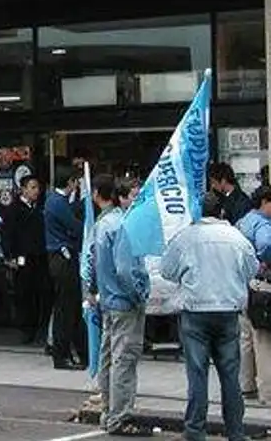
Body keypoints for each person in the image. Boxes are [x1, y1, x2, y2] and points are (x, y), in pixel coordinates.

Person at [161, 192, 258, 441]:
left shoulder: (185, 238)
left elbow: (167, 271)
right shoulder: (237, 237)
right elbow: (252, 269)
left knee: (197, 374)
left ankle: (195, 430)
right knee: (230, 376)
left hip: (195, 312)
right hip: (228, 311)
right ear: (222, 212)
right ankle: (236, 432)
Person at [90, 174, 151, 436]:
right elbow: (126, 269)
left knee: (108, 358)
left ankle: (107, 410)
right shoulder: (122, 225)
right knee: (124, 360)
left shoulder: (103, 224)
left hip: (108, 301)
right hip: (124, 302)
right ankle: (119, 416)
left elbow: (92, 261)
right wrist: (139, 294)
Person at [44, 162, 86, 370]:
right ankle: (61, 354)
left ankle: (77, 351)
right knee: (66, 309)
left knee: (71, 307)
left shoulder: (55, 200)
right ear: (70, 182)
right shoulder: (58, 203)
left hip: (62, 257)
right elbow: (76, 227)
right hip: (63, 257)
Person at [2, 175, 49, 345]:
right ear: (23, 189)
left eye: (37, 187)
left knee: (40, 292)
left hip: (39, 256)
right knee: (24, 292)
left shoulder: (39, 209)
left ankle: (39, 327)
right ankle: (26, 329)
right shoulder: (14, 209)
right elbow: (7, 234)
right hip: (22, 257)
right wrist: (10, 256)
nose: (36, 191)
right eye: (32, 187)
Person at [236, 186, 271, 403]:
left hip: (243, 285)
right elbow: (267, 244)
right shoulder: (263, 224)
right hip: (262, 287)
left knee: (246, 338)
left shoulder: (243, 220)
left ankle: (246, 385)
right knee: (264, 341)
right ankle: (268, 392)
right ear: (265, 202)